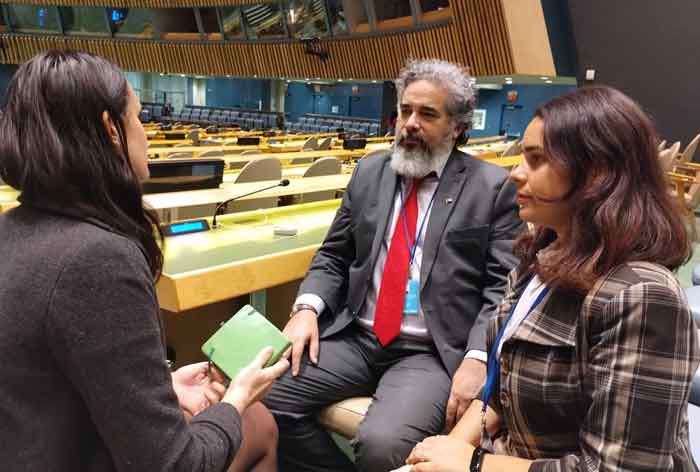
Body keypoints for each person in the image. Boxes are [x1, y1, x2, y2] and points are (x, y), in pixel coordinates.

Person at [0, 50, 289, 471]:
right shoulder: (98, 259)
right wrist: (235, 398)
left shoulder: (11, 227)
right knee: (257, 423)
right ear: (110, 130)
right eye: (136, 118)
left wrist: (161, 386)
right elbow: (174, 465)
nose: (146, 133)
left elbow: (47, 379)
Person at [403, 86, 700, 471]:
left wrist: (473, 463)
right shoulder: (541, 254)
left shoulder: (641, 296)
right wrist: (444, 449)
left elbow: (619, 468)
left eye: (536, 159)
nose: (515, 173)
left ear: (596, 174)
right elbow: (501, 385)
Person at [263, 59, 522, 471]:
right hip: (357, 336)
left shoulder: (490, 188)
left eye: (427, 114)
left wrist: (477, 355)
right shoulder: (369, 172)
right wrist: (306, 309)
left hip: (430, 350)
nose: (410, 124)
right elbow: (333, 255)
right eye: (405, 111)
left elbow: (502, 287)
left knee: (383, 445)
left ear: (457, 127)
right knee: (261, 397)